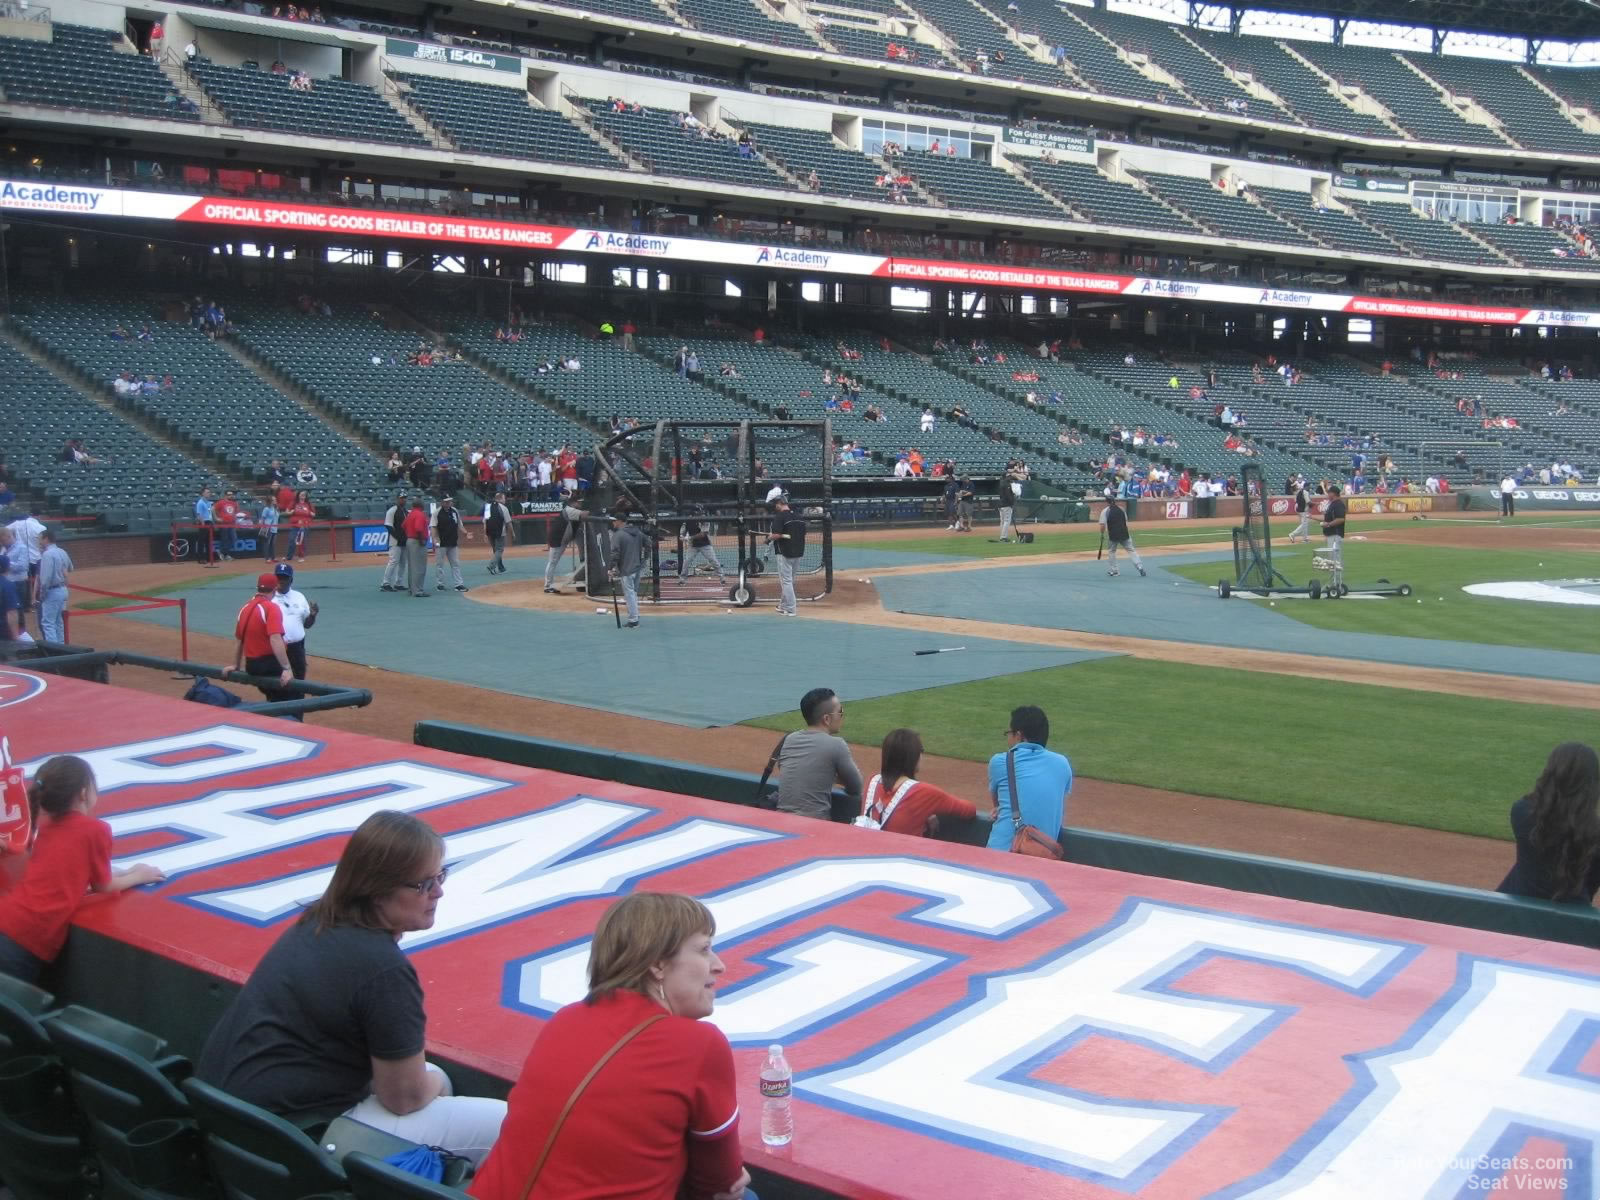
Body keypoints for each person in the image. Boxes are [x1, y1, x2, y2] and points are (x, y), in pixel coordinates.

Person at [197, 812, 507, 1160]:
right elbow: (404, 1098)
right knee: (505, 1123)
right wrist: (433, 1088)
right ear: (377, 890)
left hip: (231, 1116)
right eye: (423, 884)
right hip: (292, 1138)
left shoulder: (315, 922)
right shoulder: (383, 969)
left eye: (440, 876)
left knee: (434, 1080)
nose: (439, 892)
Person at [468, 893, 751, 1200]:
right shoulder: (700, 1044)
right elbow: (719, 1183)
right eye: (705, 949)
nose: (719, 965)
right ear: (657, 964)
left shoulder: (566, 1019)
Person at [0, 756, 165, 982]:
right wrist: (137, 876)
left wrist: (124, 872)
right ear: (84, 793)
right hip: (26, 938)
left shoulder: (46, 826)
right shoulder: (95, 830)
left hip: (8, 918)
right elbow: (102, 884)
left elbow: (66, 873)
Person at [1496, 743, 1600, 904]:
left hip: (1518, 905)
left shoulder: (1521, 812)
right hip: (1573, 914)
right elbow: (1592, 883)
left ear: (1550, 773)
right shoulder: (1594, 831)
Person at [858, 729, 981, 837]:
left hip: (864, 857)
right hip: (900, 860)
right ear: (913, 756)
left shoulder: (872, 781)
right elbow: (969, 810)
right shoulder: (925, 793)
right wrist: (927, 809)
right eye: (921, 750)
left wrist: (923, 811)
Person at [985, 706, 1071, 853]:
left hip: (999, 855)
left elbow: (998, 804)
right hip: (1041, 858)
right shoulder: (1062, 764)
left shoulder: (1000, 762)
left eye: (1009, 733)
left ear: (1019, 735)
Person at [775, 687, 861, 821]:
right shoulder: (837, 744)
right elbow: (856, 787)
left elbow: (795, 771)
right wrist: (833, 776)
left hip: (781, 822)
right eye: (840, 712)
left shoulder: (789, 739)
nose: (842, 716)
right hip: (815, 827)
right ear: (826, 719)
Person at [226, 574, 295, 702]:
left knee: (273, 697)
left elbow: (240, 641)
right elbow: (275, 639)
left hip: (252, 666)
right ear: (275, 590)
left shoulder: (244, 608)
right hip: (269, 666)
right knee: (290, 695)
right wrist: (287, 668)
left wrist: (236, 665)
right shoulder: (271, 608)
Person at [271, 563, 317, 685]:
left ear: (291, 580)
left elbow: (307, 625)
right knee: (278, 684)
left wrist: (313, 615)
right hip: (277, 648)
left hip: (297, 648)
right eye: (278, 577)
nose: (280, 580)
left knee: (299, 681)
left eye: (284, 577)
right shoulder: (269, 598)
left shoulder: (299, 596)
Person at [766, 495, 806, 616]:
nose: (775, 506)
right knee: (790, 580)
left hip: (784, 552)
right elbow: (803, 533)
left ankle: (791, 608)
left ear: (779, 503)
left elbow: (777, 535)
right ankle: (783, 605)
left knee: (786, 581)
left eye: (776, 504)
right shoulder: (798, 516)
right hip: (798, 552)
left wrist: (769, 537)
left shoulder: (780, 517)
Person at [609, 511, 647, 629]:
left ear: (620, 521)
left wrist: (611, 567)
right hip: (637, 568)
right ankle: (636, 616)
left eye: (614, 520)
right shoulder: (638, 533)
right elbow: (649, 544)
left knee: (629, 594)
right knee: (633, 593)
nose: (613, 522)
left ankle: (634, 620)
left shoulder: (618, 535)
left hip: (626, 570)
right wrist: (644, 560)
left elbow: (615, 553)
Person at [35, 529, 72, 644]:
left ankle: (54, 650)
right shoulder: (62, 551)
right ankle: (61, 646)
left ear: (46, 539)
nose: (39, 541)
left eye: (40, 538)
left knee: (48, 622)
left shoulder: (47, 554)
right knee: (58, 621)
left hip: (52, 591)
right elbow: (71, 568)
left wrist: (42, 593)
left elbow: (45, 579)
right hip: (63, 590)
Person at [1099, 492, 1145, 577]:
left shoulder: (1105, 511)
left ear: (1107, 502)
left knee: (1111, 551)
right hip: (1124, 533)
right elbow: (1125, 522)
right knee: (1131, 550)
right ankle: (1140, 567)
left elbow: (1102, 525)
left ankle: (1115, 570)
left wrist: (1102, 534)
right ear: (1114, 500)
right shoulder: (1121, 509)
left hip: (1113, 535)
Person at [678, 508, 725, 584]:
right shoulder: (688, 521)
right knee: (687, 561)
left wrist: (690, 538)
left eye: (702, 513)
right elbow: (683, 530)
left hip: (705, 544)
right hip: (693, 545)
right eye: (699, 513)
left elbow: (703, 534)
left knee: (713, 560)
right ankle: (682, 579)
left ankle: (722, 577)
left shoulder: (705, 520)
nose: (702, 515)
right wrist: (682, 536)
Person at [543, 498, 580, 594]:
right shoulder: (569, 510)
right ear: (573, 503)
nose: (579, 504)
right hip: (557, 539)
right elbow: (583, 514)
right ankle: (547, 586)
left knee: (553, 562)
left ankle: (549, 584)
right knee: (552, 562)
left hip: (559, 539)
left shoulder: (570, 510)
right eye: (578, 502)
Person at [432, 496, 467, 592]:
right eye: (446, 502)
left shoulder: (455, 511)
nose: (448, 503)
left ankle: (458, 584)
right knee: (440, 564)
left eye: (450, 501)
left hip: (453, 541)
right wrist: (435, 539)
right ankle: (440, 584)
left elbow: (459, 524)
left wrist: (464, 532)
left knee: (455, 563)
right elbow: (433, 527)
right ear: (442, 502)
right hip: (442, 542)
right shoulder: (437, 512)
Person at [380, 494, 409, 592]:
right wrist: (398, 537)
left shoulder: (405, 511)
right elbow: (388, 526)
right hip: (395, 541)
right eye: (401, 498)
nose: (403, 500)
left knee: (403, 563)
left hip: (404, 541)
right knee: (393, 561)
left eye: (404, 498)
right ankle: (385, 583)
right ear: (397, 499)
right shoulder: (392, 510)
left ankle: (398, 583)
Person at [1321, 483, 1347, 593]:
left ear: (1333, 493)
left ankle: (1337, 585)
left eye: (1329, 492)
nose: (1328, 494)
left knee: (1335, 561)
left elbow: (1341, 519)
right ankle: (1333, 584)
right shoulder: (1333, 504)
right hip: (1331, 535)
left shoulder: (1338, 504)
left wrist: (1328, 525)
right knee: (1331, 561)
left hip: (1335, 535)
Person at [404, 499, 431, 597]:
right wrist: (421, 541)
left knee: (412, 567)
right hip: (417, 542)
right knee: (419, 567)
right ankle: (418, 591)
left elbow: (403, 526)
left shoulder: (410, 514)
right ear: (420, 505)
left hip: (410, 540)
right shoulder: (419, 514)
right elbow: (418, 528)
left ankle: (412, 589)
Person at [483, 490, 513, 575]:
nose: (505, 500)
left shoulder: (488, 507)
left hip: (490, 532)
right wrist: (513, 533)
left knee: (496, 550)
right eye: (504, 498)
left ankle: (500, 567)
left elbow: (485, 522)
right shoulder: (504, 508)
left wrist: (485, 533)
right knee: (499, 550)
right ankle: (491, 566)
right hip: (500, 532)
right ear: (499, 499)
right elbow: (509, 522)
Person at [289, 491, 314, 562]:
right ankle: (289, 556)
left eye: (304, 495)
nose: (303, 495)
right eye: (301, 494)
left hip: (305, 525)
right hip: (295, 525)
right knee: (292, 540)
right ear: (298, 495)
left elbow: (313, 514)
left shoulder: (308, 504)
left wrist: (309, 512)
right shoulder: (294, 503)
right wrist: (291, 512)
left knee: (302, 542)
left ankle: (301, 556)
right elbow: (287, 511)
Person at [1285, 477, 1312, 543]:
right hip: (1303, 510)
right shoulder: (1305, 492)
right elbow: (1308, 502)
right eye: (1309, 486)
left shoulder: (1301, 491)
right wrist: (1315, 503)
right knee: (1304, 524)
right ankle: (1292, 534)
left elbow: (1297, 500)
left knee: (1305, 524)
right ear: (1307, 486)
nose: (1310, 488)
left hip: (1299, 509)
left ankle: (1305, 538)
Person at [259, 493, 281, 564]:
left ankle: (273, 557)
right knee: (267, 543)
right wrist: (263, 527)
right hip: (268, 528)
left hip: (275, 528)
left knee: (272, 544)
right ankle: (267, 558)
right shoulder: (266, 508)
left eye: (275, 500)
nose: (275, 501)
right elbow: (262, 518)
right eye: (274, 500)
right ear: (270, 501)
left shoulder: (276, 508)